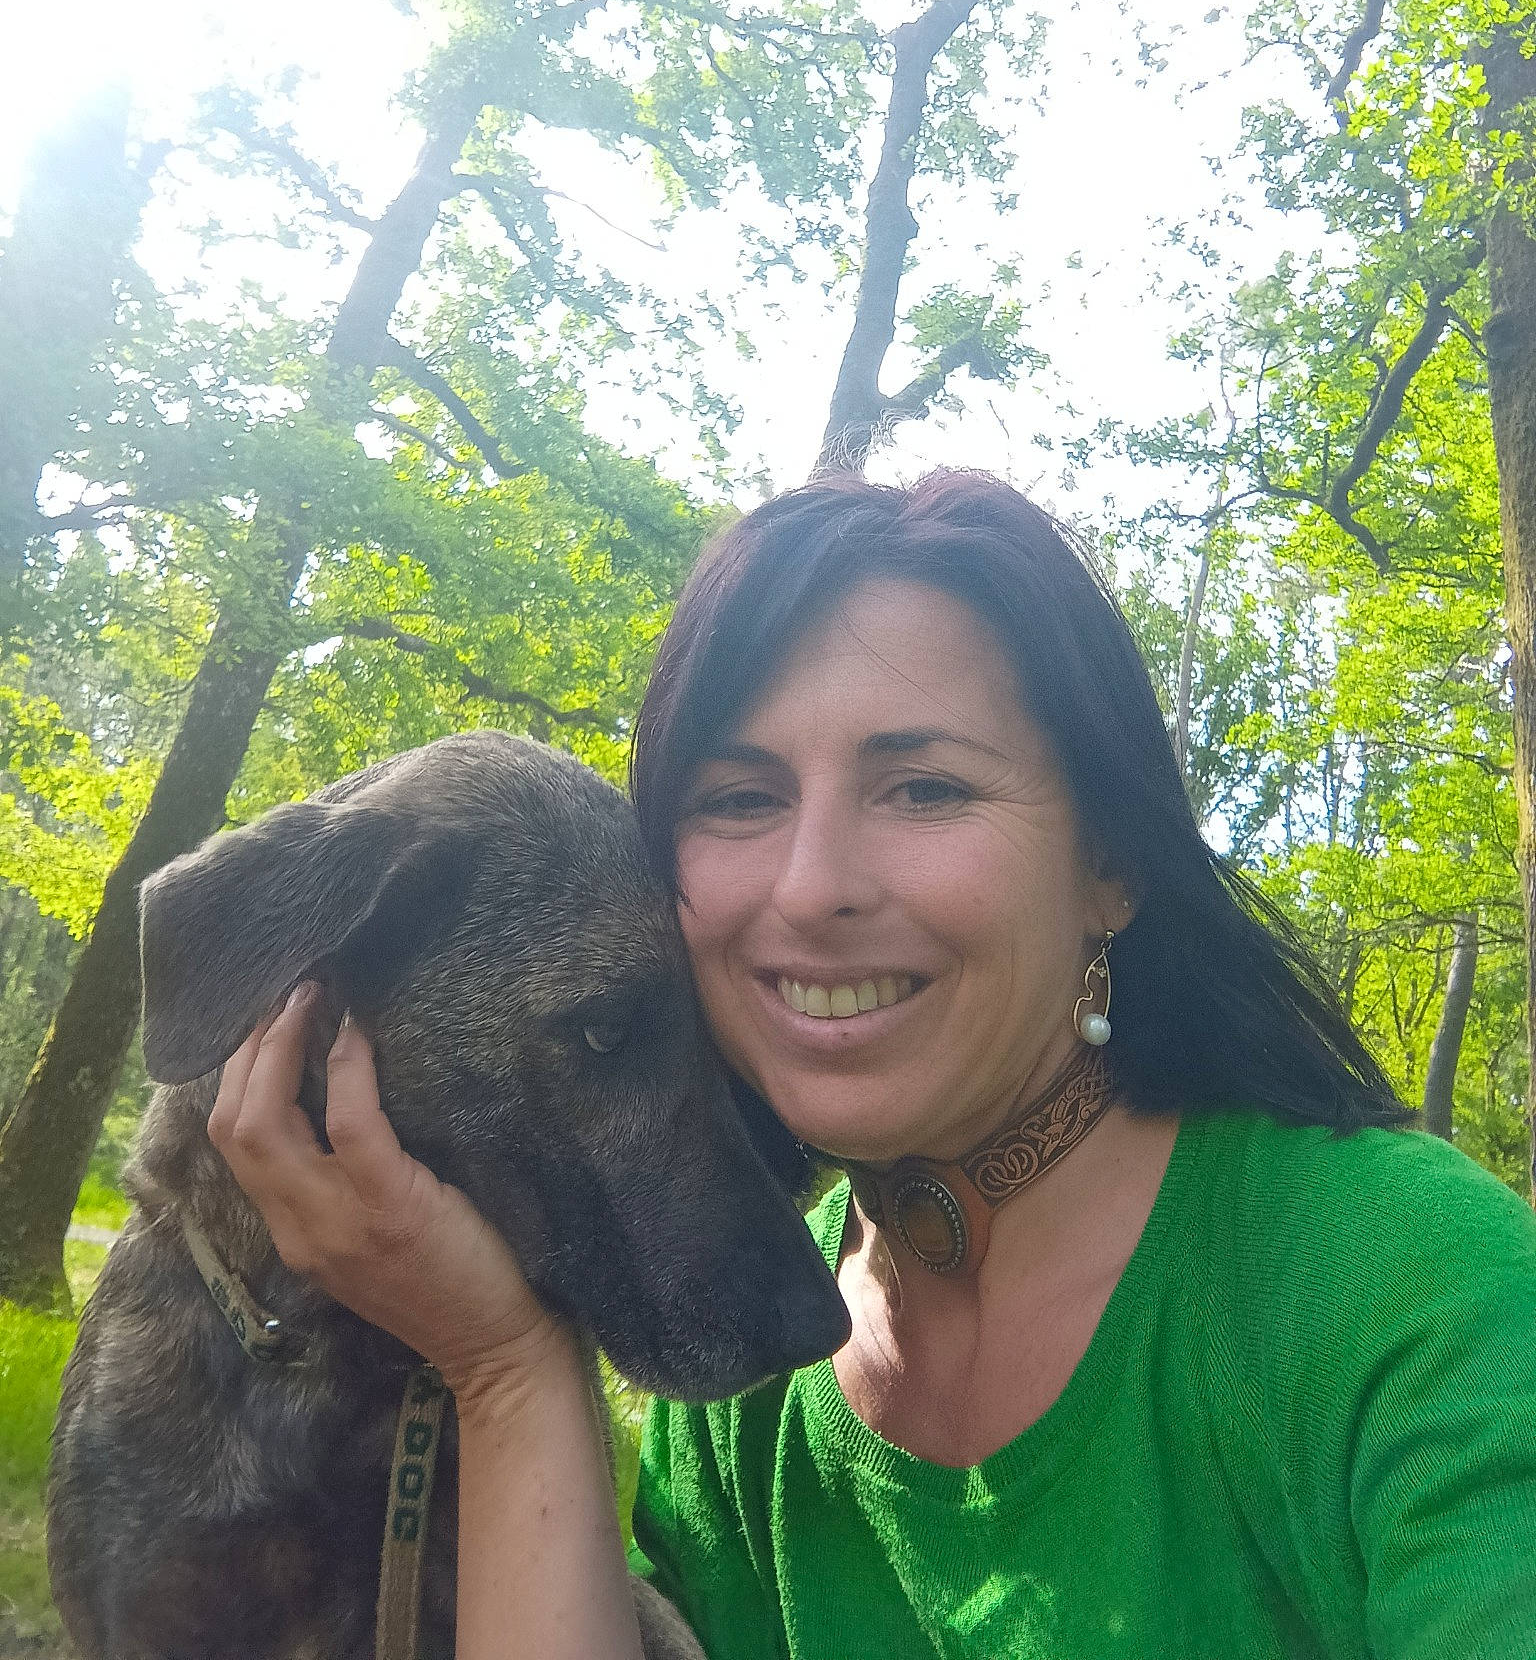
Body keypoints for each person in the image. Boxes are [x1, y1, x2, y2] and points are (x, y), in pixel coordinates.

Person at [211, 470, 1536, 1659]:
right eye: (738, 799)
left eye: (926, 790)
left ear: (1113, 867)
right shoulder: (754, 1362)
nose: (811, 886)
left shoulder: (1430, 1304)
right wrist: (505, 1365)